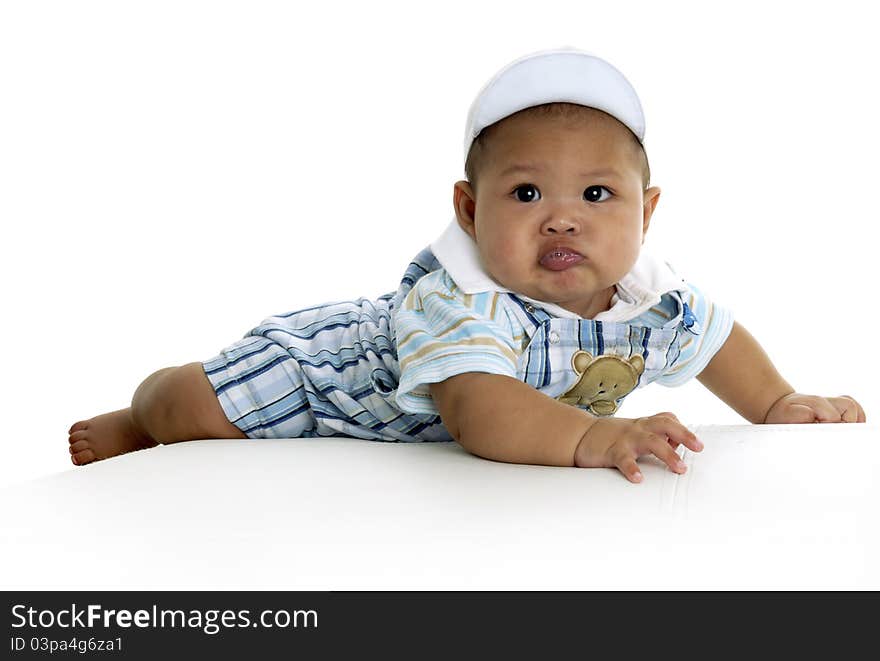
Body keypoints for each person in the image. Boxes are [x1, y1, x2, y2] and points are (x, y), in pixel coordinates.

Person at [67, 47, 866, 483]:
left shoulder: (653, 301)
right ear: (470, 211)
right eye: (525, 192)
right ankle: (142, 413)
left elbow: (718, 339)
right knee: (188, 406)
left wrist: (778, 402)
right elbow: (480, 412)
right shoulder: (463, 300)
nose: (562, 215)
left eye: (596, 192)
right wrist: (591, 437)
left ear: (646, 212)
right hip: (330, 375)